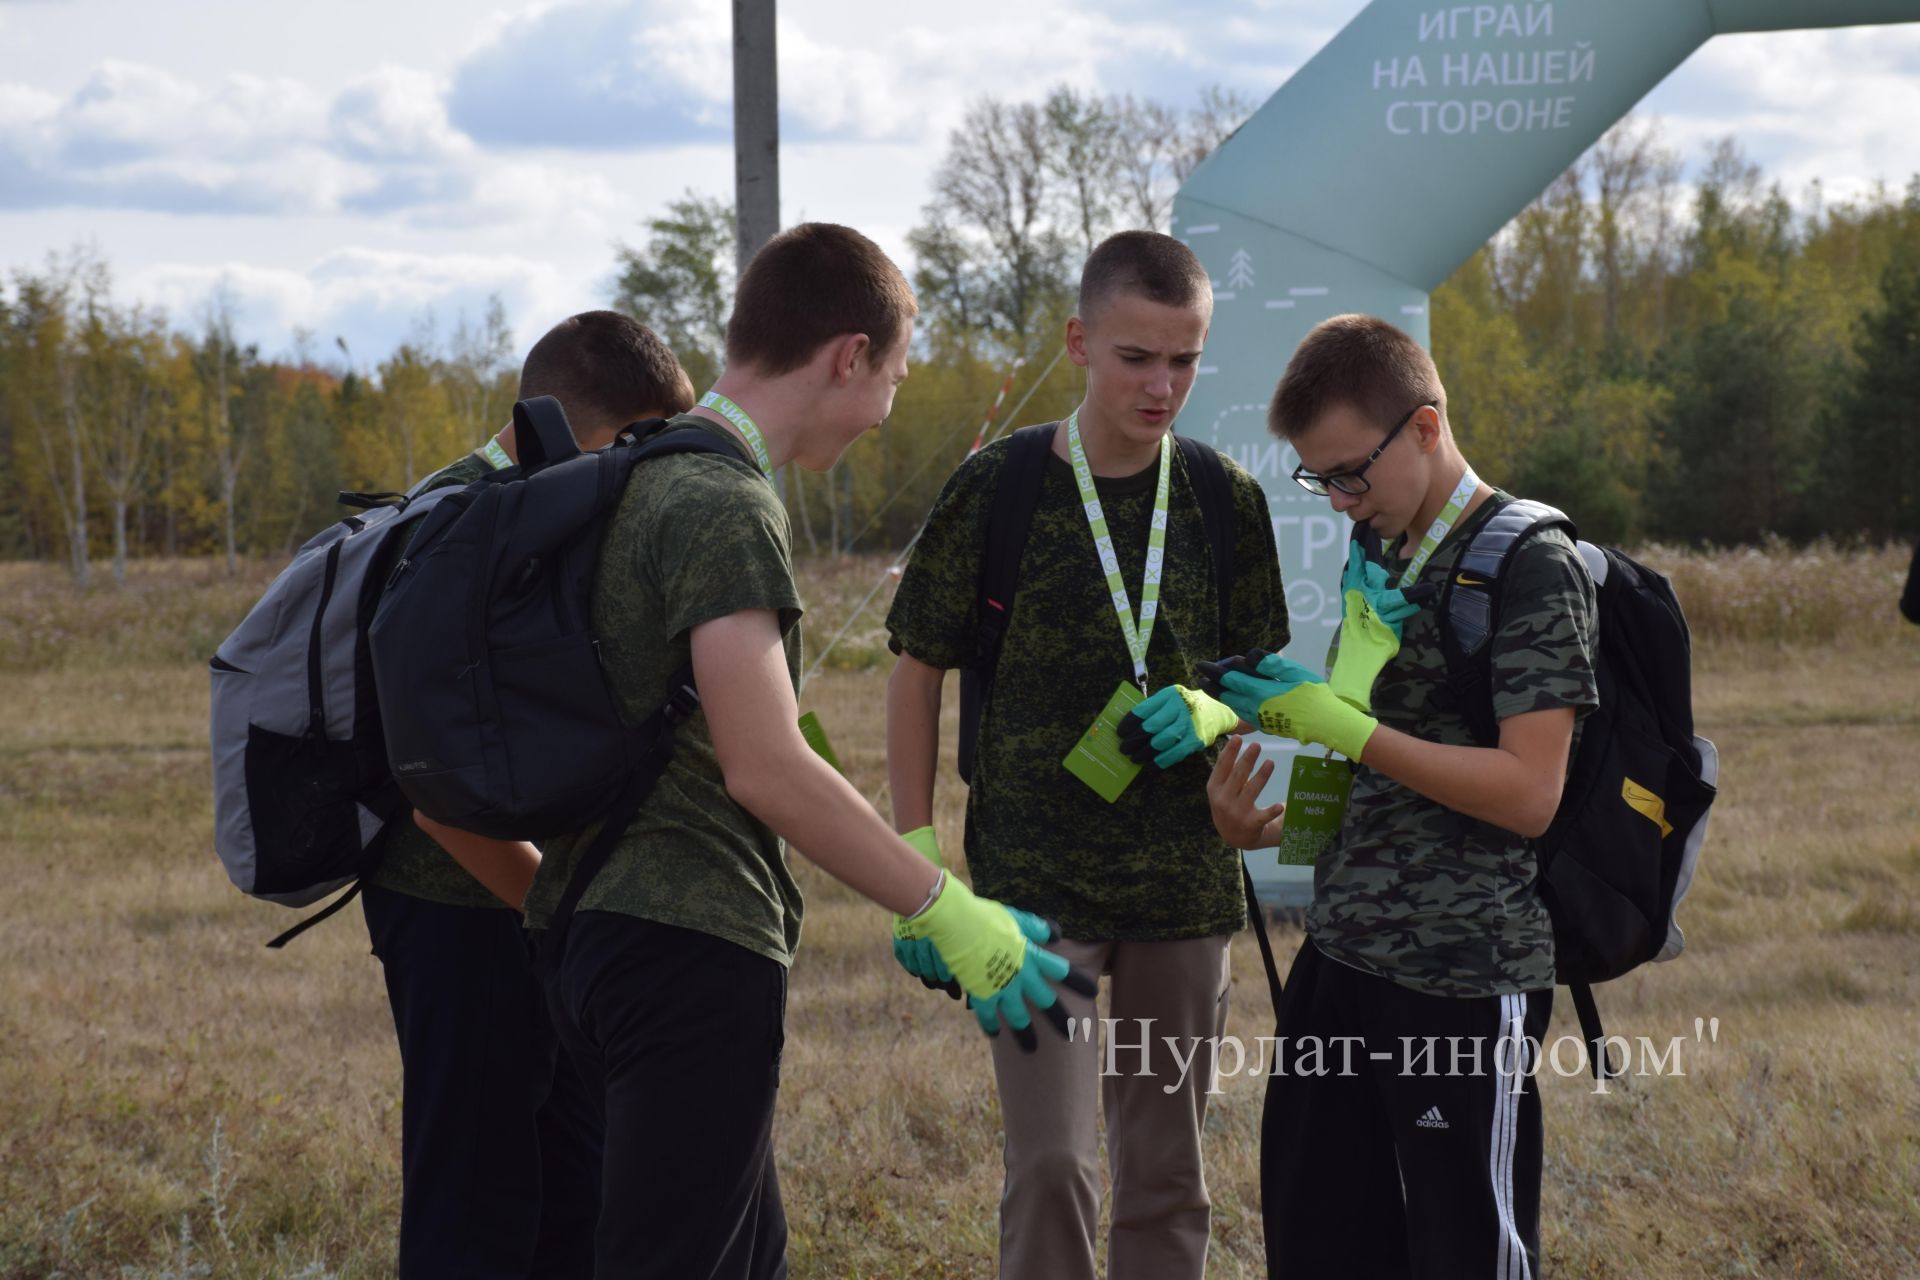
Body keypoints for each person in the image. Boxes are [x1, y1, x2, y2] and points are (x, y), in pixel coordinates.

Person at [422, 222, 1085, 1280]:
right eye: (897, 378)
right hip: (689, 946)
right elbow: (765, 763)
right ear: (848, 355)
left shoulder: (634, 470)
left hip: (593, 931)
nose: (886, 411)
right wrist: (940, 904)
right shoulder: (721, 498)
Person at [883, 230, 1289, 1280]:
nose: (1163, 385)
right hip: (1031, 891)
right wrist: (919, 859)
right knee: (1054, 1163)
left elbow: (1257, 681)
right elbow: (915, 669)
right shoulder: (997, 488)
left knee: (1166, 1175)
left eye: (1186, 359)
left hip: (1185, 887)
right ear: (1079, 341)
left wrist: (1209, 710)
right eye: (1136, 357)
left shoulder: (1222, 497)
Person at [1201, 313, 1598, 1279]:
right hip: (1339, 957)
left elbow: (1530, 793)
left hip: (1460, 974)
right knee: (1320, 1239)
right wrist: (1263, 823)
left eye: (1349, 472)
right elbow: (1370, 779)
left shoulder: (1529, 565)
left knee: (1467, 1248)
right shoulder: (1383, 552)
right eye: (1318, 478)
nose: (1337, 501)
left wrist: (1343, 726)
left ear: (1423, 429)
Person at [360, 309, 695, 1279]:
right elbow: (438, 797)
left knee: (571, 1188)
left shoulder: (517, 512)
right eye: (628, 443)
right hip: (458, 905)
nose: (638, 469)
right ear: (550, 419)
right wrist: (564, 911)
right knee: (473, 1201)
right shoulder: (462, 525)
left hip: (529, 903)